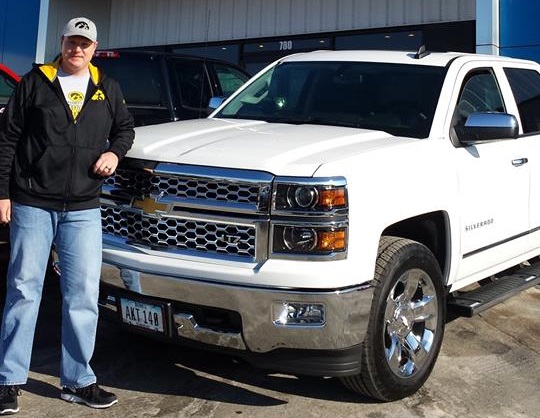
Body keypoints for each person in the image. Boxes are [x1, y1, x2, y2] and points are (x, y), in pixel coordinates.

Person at [0, 17, 134, 414]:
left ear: (94, 48)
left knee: (83, 295)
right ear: (62, 43)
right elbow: (7, 137)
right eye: (72, 42)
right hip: (32, 202)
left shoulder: (106, 87)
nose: (78, 49)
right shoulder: (35, 82)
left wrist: (114, 153)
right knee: (24, 290)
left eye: (85, 43)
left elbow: (125, 129)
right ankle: (8, 381)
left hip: (82, 209)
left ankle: (78, 380)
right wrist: (2, 193)